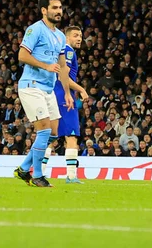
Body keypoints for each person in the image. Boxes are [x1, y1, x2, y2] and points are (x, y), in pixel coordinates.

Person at [13, 0, 73, 187]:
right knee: (45, 132)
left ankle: (23, 168)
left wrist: (66, 92)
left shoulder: (60, 36)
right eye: (54, 8)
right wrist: (45, 66)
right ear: (44, 10)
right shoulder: (35, 29)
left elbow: (63, 67)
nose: (59, 11)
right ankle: (37, 176)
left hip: (48, 89)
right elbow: (22, 55)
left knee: (54, 134)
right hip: (31, 86)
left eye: (60, 8)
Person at [41, 26, 89, 184]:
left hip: (53, 94)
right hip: (64, 96)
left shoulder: (59, 52)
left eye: (81, 35)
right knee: (71, 136)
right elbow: (63, 76)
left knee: (51, 136)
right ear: (67, 38)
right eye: (76, 35)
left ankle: (39, 173)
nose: (79, 38)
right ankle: (71, 176)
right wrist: (81, 89)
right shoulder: (68, 51)